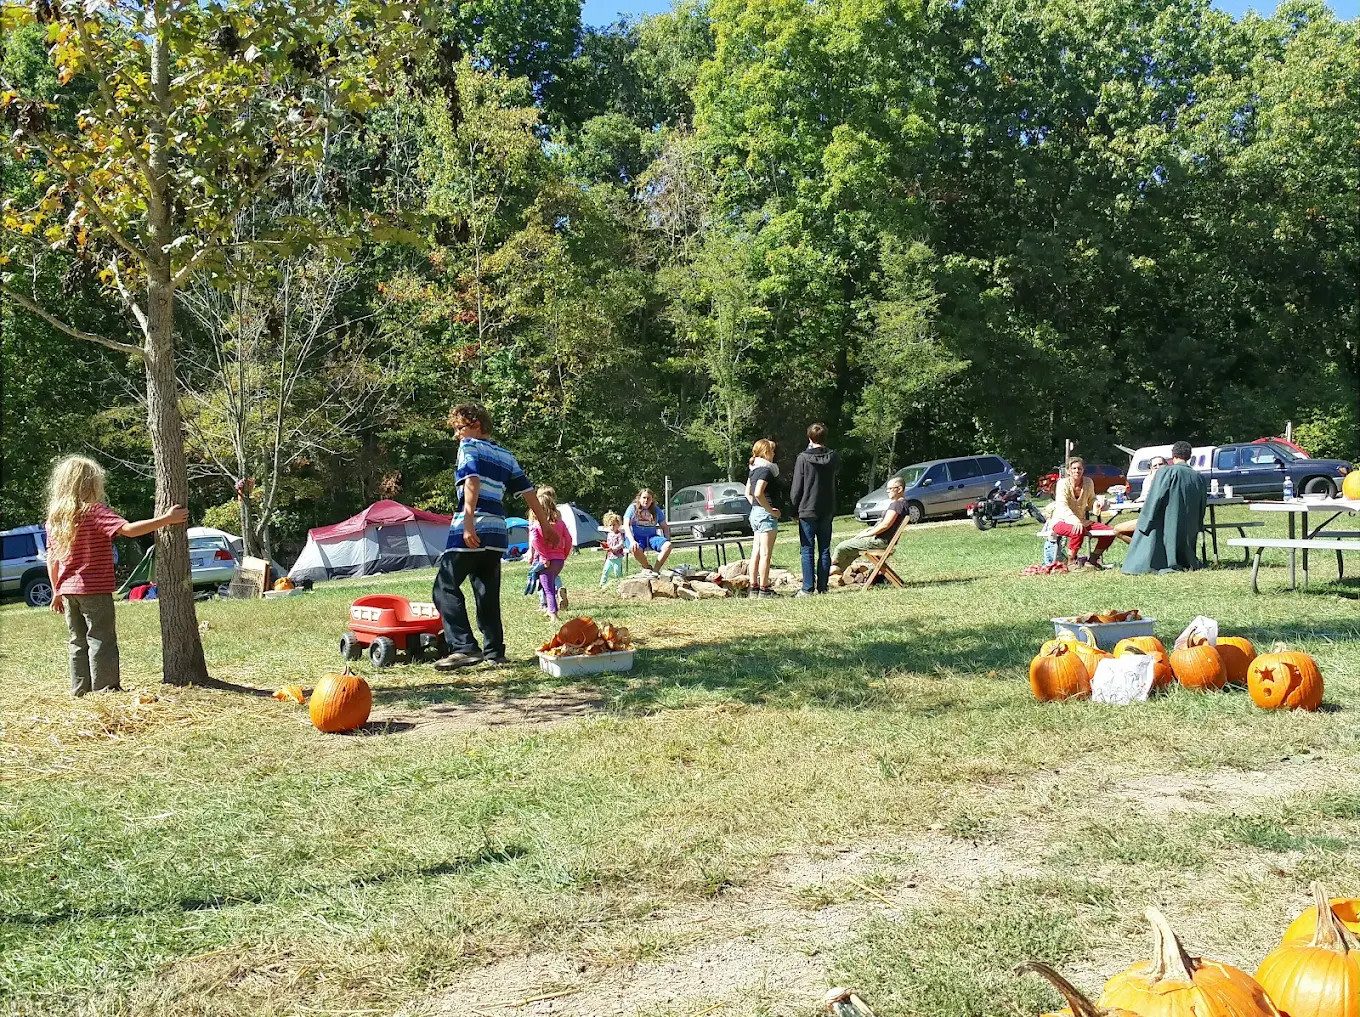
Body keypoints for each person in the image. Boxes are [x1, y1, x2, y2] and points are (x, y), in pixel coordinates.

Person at [44, 455, 188, 696]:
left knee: (77, 641)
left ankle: (79, 690)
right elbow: (129, 530)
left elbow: (53, 558)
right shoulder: (95, 511)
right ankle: (105, 689)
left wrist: (56, 591)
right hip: (94, 588)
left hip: (68, 590)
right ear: (91, 484)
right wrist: (166, 519)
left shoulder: (56, 519)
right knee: (101, 638)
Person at [434, 403, 559, 669]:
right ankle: (494, 652)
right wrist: (546, 526)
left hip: (473, 528)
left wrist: (467, 523)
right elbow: (528, 492)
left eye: (460, 428)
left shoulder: (469, 446)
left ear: (476, 424)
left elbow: (472, 481)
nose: (458, 435)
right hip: (497, 534)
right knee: (487, 592)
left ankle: (465, 647)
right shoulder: (505, 455)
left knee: (444, 587)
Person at [1122, 441, 1208, 574]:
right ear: (1189, 457)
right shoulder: (1198, 477)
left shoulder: (1166, 472)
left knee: (1144, 528)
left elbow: (1155, 498)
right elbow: (1202, 504)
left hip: (1167, 524)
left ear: (1173, 456)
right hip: (1189, 527)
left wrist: (1146, 520)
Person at [788, 422, 839, 596]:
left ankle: (807, 588)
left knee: (807, 549)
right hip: (827, 508)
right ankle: (823, 587)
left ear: (810, 438)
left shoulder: (803, 458)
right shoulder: (833, 457)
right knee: (825, 549)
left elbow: (797, 488)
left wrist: (793, 509)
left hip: (807, 508)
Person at [1051, 456, 1115, 569]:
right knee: (1078, 530)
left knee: (1109, 532)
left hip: (1081, 520)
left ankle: (1093, 559)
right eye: (1074, 468)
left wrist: (1096, 505)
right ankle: (1071, 561)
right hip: (1060, 520)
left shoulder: (1088, 482)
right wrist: (1075, 521)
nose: (1077, 471)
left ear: (1083, 470)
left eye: (1079, 468)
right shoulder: (1062, 484)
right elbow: (1062, 506)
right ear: (1068, 471)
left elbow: (1091, 499)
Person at [833, 475, 907, 573]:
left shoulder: (897, 504)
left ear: (900, 489)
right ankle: (833, 571)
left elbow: (885, 525)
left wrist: (866, 534)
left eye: (890, 488)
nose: (887, 491)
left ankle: (825, 567)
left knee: (841, 547)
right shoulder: (903, 504)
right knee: (851, 552)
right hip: (884, 541)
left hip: (880, 541)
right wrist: (867, 530)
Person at [528, 486, 572, 623]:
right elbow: (569, 539)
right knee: (552, 583)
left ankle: (553, 613)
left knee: (548, 589)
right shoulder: (560, 523)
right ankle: (550, 609)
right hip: (559, 560)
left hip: (545, 561)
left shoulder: (536, 525)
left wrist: (544, 556)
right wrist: (564, 554)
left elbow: (535, 541)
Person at [745, 438, 782, 597]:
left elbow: (748, 493)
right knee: (766, 553)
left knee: (756, 552)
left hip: (755, 513)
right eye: (772, 450)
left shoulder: (753, 469)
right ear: (766, 452)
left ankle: (753, 586)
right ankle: (764, 588)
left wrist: (757, 506)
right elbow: (759, 492)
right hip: (765, 515)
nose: (774, 453)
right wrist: (770, 510)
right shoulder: (766, 471)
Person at [1111, 456, 1166, 545]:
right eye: (1155, 466)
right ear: (1151, 469)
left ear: (1167, 465)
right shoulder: (1148, 479)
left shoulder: (1169, 480)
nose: (1158, 467)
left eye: (1161, 464)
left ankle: (1141, 549)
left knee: (1117, 530)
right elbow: (1144, 497)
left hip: (1160, 520)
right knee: (1118, 530)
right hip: (1147, 518)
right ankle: (1144, 549)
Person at [624, 489, 672, 571]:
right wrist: (632, 541)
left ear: (652, 500)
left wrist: (667, 538)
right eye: (644, 498)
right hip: (636, 537)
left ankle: (656, 570)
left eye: (648, 498)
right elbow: (626, 525)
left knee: (668, 546)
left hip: (652, 537)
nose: (646, 500)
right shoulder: (632, 508)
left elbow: (664, 526)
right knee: (635, 548)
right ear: (639, 498)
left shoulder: (656, 510)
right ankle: (647, 567)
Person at [599, 511, 627, 586]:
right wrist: (605, 545)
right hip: (609, 556)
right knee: (605, 570)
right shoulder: (609, 534)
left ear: (618, 524)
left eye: (614, 525)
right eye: (610, 525)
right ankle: (602, 584)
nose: (612, 527)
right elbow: (608, 544)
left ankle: (621, 584)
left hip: (617, 557)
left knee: (617, 571)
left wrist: (614, 548)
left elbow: (621, 544)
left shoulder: (619, 534)